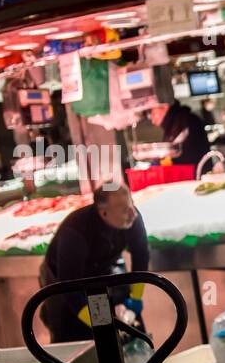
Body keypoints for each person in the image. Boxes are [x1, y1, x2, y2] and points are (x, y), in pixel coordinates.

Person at [40, 182, 151, 343]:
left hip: (103, 270)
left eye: (131, 204)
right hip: (66, 282)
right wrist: (103, 324)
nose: (133, 213)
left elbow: (141, 256)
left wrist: (136, 298)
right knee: (90, 342)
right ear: (104, 213)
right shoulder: (75, 231)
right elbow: (70, 289)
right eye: (124, 209)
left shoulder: (131, 217)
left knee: (131, 332)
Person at [150, 100, 211, 169]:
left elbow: (183, 154)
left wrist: (160, 161)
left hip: (197, 175)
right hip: (190, 174)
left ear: (165, 107)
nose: (153, 120)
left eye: (153, 114)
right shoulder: (173, 125)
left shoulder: (186, 121)